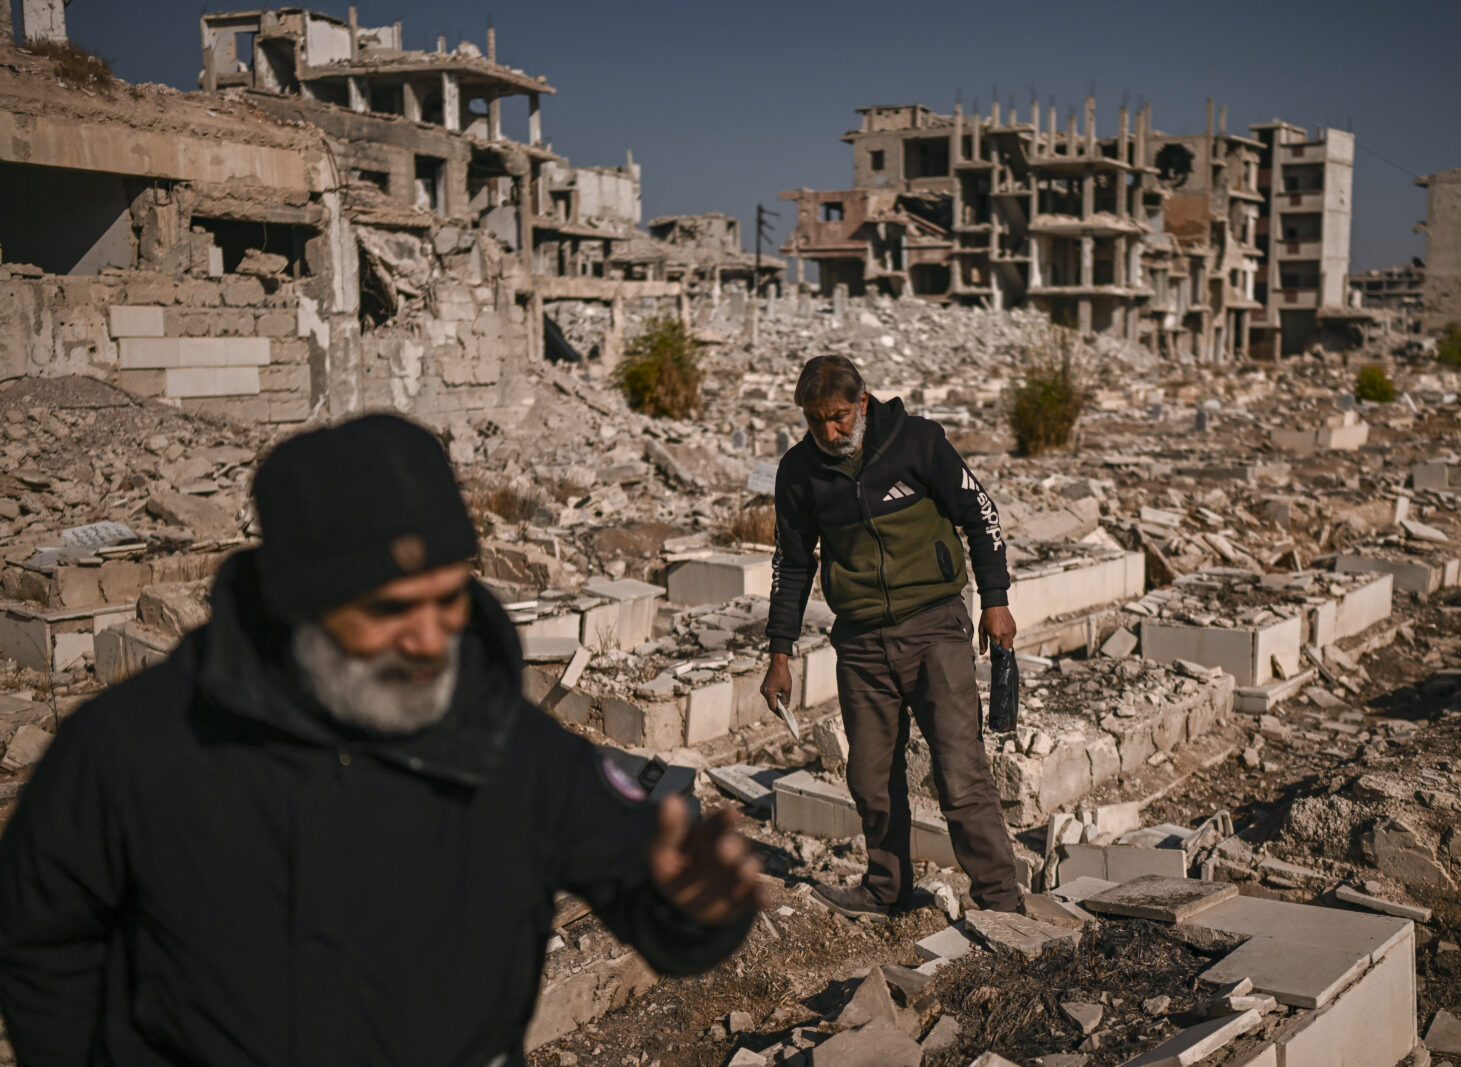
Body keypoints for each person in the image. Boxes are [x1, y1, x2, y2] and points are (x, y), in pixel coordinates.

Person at [0, 414, 760, 1065]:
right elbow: (43, 940)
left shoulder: (510, 743)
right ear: (301, 600)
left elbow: (644, 890)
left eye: (448, 597)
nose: (432, 639)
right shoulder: (135, 746)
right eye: (393, 608)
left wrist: (695, 907)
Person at [761, 355, 1021, 919]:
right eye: (814, 421)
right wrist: (779, 652)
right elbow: (793, 563)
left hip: (935, 629)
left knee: (959, 771)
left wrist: (995, 600)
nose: (828, 432)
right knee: (870, 775)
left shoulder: (919, 443)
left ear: (862, 402)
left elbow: (981, 514)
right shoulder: (799, 472)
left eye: (837, 417)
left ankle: (1001, 903)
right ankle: (886, 890)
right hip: (859, 642)